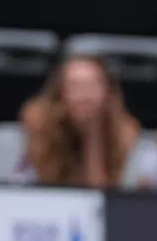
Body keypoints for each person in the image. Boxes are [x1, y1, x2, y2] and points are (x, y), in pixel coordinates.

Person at [20, 55, 143, 189]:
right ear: (61, 92)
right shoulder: (39, 120)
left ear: (108, 92)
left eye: (93, 85)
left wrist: (93, 136)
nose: (85, 95)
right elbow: (49, 184)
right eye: (75, 86)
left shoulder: (123, 129)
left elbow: (102, 194)